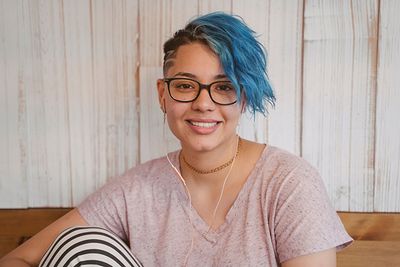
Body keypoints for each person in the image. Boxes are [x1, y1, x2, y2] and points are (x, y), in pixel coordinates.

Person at [0, 12, 352, 267]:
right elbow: (19, 258)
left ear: (244, 97)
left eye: (224, 87)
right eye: (185, 85)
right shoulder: (136, 189)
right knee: (82, 245)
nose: (203, 103)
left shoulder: (288, 183)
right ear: (163, 95)